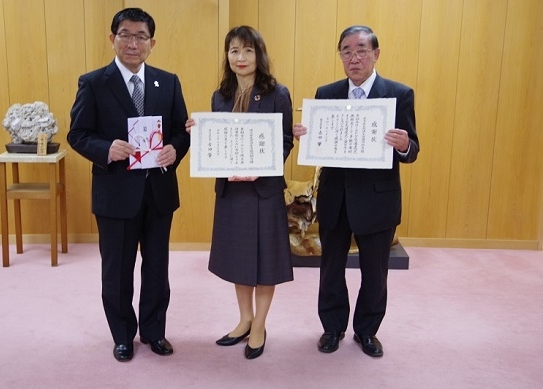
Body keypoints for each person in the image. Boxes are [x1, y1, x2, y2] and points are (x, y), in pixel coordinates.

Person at [67, 8, 190, 362]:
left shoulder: (168, 82)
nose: (133, 43)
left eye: (140, 36)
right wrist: (106, 148)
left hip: (158, 192)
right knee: (117, 270)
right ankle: (123, 335)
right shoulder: (93, 82)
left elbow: (182, 132)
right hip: (115, 193)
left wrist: (174, 149)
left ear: (152, 43)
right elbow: (77, 134)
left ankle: (154, 332)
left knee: (157, 268)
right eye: (125, 35)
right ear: (112, 39)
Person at [293, 25, 419, 358]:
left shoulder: (399, 94)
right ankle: (332, 328)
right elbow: (321, 143)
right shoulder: (326, 93)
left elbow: (413, 148)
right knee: (330, 268)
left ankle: (366, 331)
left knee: (375, 272)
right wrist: (307, 136)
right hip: (336, 197)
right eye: (347, 51)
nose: (354, 57)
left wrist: (405, 145)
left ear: (376, 54)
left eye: (361, 50)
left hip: (378, 199)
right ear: (340, 56)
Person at [185, 26, 294, 359]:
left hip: (263, 190)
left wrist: (260, 167)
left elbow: (286, 141)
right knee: (240, 258)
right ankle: (244, 318)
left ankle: (259, 324)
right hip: (232, 191)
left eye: (247, 50)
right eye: (233, 51)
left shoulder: (278, 93)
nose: (240, 57)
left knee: (266, 260)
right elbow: (217, 143)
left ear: (258, 54)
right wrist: (198, 134)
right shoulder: (220, 96)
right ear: (227, 56)